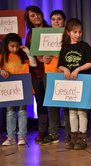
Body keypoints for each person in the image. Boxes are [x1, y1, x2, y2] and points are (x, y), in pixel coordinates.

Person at [58, 18, 91, 150]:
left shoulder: (85, 46)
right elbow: (60, 65)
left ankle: (82, 138)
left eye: (80, 32)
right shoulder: (65, 48)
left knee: (82, 111)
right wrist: (66, 69)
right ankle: (73, 138)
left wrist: (77, 69)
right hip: (70, 84)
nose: (78, 35)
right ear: (68, 32)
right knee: (72, 111)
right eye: (75, 32)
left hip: (83, 82)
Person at [40, 10, 71, 146]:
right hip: (50, 74)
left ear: (64, 21)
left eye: (59, 19)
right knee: (52, 106)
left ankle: (71, 134)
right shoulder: (45, 36)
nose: (56, 21)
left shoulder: (69, 36)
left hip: (65, 74)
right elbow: (38, 54)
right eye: (53, 19)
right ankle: (53, 134)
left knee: (68, 105)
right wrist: (42, 58)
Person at [0, 33, 36, 146]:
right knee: (10, 112)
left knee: (22, 111)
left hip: (24, 86)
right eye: (12, 46)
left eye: (17, 46)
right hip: (9, 88)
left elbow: (34, 64)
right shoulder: (3, 56)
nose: (15, 49)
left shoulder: (23, 56)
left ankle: (22, 136)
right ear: (7, 45)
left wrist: (27, 51)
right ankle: (10, 137)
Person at [24, 5, 50, 143]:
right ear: (28, 19)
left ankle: (53, 131)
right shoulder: (30, 34)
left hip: (51, 72)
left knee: (52, 103)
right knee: (40, 103)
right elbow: (30, 54)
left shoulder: (52, 30)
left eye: (37, 14)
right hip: (36, 73)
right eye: (32, 16)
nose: (36, 17)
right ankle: (42, 131)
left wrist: (49, 57)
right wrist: (38, 57)